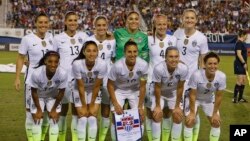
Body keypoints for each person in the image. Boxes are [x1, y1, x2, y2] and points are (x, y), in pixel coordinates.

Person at [14, 13, 54, 141]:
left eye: (45, 22)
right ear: (35, 24)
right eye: (40, 22)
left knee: (47, 113)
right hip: (32, 81)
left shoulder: (52, 38)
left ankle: (40, 138)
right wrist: (17, 77)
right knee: (30, 114)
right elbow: (20, 58)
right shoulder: (27, 39)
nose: (43, 25)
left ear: (49, 24)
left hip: (49, 82)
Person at [173, 8, 209, 141]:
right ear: (182, 18)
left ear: (196, 20)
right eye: (186, 17)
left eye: (192, 18)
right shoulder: (177, 33)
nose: (189, 20)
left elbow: (204, 61)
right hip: (176, 81)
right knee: (176, 114)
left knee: (192, 114)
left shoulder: (201, 38)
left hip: (192, 82)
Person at [53, 11, 88, 141]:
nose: (73, 23)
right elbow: (52, 57)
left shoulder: (84, 36)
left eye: (75, 20)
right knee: (61, 111)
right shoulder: (58, 38)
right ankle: (61, 138)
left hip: (79, 80)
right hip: (62, 80)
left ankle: (74, 138)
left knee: (76, 111)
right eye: (70, 20)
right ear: (65, 22)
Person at [144, 14, 177, 141]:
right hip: (151, 81)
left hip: (169, 82)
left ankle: (164, 138)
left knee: (167, 113)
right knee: (151, 113)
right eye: (159, 24)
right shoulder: (148, 39)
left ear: (167, 25)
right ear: (154, 25)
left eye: (164, 24)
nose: (162, 27)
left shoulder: (172, 39)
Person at [107, 40, 148, 141]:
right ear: (125, 53)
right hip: (119, 90)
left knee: (140, 117)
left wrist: (140, 107)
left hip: (135, 90)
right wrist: (116, 104)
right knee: (116, 117)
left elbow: (143, 86)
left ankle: (137, 139)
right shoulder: (117, 66)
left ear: (137, 52)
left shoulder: (143, 65)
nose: (132, 54)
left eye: (135, 51)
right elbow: (110, 85)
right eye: (129, 52)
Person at [85, 15, 116, 141]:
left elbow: (114, 59)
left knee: (106, 111)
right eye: (99, 25)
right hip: (92, 81)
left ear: (107, 27)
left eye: (104, 25)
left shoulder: (112, 42)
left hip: (107, 81)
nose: (101, 27)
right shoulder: (89, 41)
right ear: (95, 27)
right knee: (91, 111)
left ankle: (102, 138)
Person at [184, 52, 226, 141]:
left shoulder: (221, 77)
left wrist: (215, 113)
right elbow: (192, 95)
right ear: (205, 64)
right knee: (190, 121)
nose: (212, 66)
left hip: (209, 100)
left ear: (218, 64)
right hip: (194, 99)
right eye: (210, 63)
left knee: (216, 122)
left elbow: (218, 96)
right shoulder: (196, 75)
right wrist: (192, 113)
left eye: (215, 63)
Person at [150, 47, 188, 141]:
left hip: (173, 92)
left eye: (176, 57)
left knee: (178, 116)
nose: (174, 59)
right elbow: (157, 88)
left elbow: (180, 87)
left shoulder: (183, 68)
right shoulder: (159, 68)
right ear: (165, 57)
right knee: (157, 115)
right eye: (171, 56)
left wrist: (177, 106)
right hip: (159, 92)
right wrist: (158, 106)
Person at [72, 41, 107, 141]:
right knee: (82, 117)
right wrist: (84, 106)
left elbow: (96, 86)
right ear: (84, 52)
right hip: (79, 90)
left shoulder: (102, 64)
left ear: (97, 52)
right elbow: (80, 86)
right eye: (88, 51)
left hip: (93, 90)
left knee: (92, 116)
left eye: (94, 51)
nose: (91, 54)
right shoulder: (77, 64)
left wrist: (91, 105)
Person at [28, 51, 67, 141]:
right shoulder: (37, 73)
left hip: (53, 97)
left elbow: (61, 92)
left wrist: (53, 110)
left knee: (54, 120)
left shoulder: (63, 73)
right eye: (50, 61)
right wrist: (38, 109)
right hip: (38, 96)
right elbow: (33, 92)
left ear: (59, 62)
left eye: (56, 62)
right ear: (45, 61)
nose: (53, 64)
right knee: (37, 120)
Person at [233, 29, 248, 103]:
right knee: (239, 80)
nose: (247, 37)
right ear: (243, 35)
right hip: (239, 64)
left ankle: (240, 98)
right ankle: (235, 98)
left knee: (244, 81)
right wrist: (243, 63)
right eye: (246, 35)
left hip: (243, 64)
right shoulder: (239, 43)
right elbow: (239, 54)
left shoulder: (243, 43)